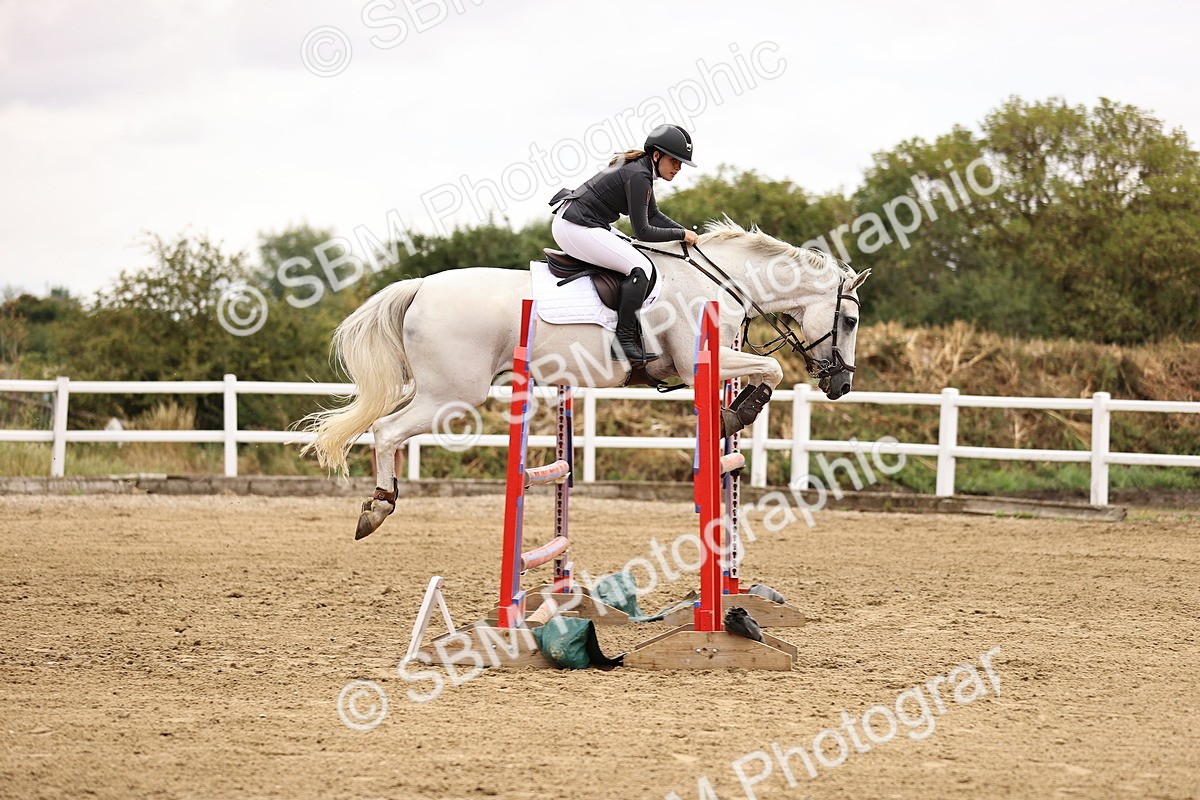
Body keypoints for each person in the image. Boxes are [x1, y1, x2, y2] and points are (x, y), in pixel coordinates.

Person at [549, 124, 699, 364]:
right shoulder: (639, 175)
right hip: (575, 226)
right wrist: (681, 235)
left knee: (638, 257)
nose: (678, 168)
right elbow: (643, 231)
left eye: (681, 163)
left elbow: (654, 215)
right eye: (674, 161)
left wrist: (683, 232)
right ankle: (623, 341)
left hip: (581, 222)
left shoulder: (642, 170)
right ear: (657, 155)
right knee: (642, 268)